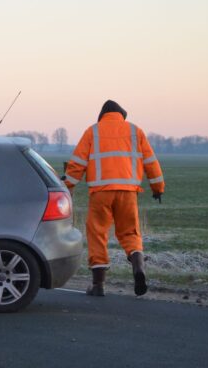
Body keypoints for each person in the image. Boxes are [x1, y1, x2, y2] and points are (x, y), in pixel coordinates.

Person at [63, 100, 165, 297]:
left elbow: (77, 164)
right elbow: (151, 162)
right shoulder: (135, 131)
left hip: (100, 193)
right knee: (130, 232)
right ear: (122, 115)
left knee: (97, 234)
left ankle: (98, 285)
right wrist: (157, 188)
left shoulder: (92, 131)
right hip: (128, 192)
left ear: (102, 115)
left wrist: (67, 186)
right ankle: (138, 267)